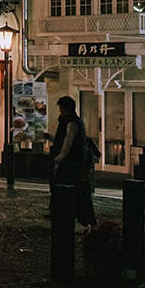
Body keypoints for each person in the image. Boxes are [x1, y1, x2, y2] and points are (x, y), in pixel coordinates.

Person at [48, 95, 96, 227]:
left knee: (73, 188)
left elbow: (68, 142)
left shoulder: (71, 122)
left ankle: (80, 215)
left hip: (72, 163)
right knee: (78, 189)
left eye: (61, 109)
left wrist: (59, 158)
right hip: (74, 161)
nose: (60, 111)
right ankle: (81, 215)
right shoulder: (72, 121)